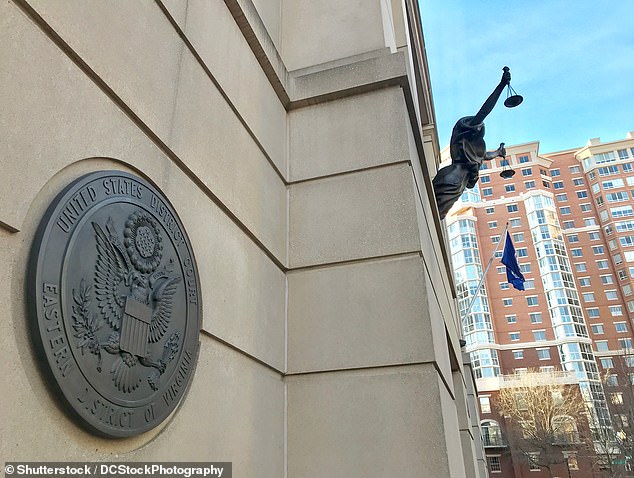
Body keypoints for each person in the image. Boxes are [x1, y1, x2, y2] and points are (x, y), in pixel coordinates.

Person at [433, 67, 511, 219]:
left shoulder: (473, 150)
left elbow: (485, 156)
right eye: (478, 125)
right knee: (435, 213)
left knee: (437, 214)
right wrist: (501, 86)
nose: (480, 127)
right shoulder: (463, 136)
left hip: (459, 181)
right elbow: (484, 111)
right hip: (453, 177)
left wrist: (498, 152)